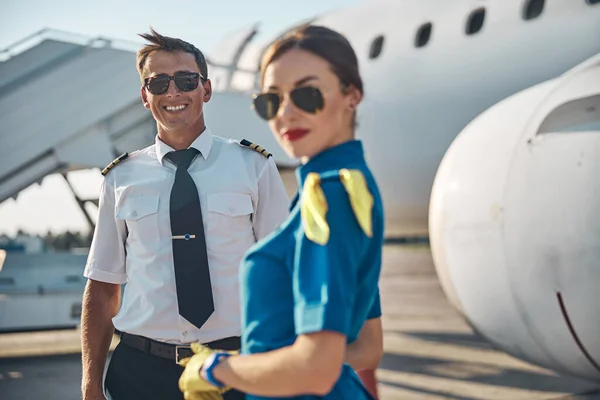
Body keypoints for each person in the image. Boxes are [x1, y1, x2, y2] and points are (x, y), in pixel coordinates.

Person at [80, 28, 290, 400]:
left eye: (186, 80)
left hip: (235, 366)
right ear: (146, 97)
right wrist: (90, 383)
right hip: (141, 372)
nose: (173, 92)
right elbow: (102, 288)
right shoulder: (120, 178)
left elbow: (285, 273)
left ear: (205, 90)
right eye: (158, 83)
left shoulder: (254, 167)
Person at [178, 25, 384, 400]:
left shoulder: (329, 198)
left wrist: (215, 369)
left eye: (307, 94)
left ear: (351, 94)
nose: (286, 114)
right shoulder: (350, 189)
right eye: (271, 101)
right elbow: (366, 346)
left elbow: (315, 370)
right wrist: (257, 364)